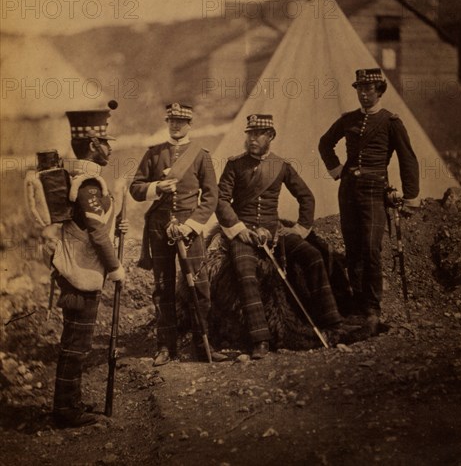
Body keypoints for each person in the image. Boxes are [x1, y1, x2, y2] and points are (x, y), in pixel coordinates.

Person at [216, 114, 358, 359]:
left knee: (313, 256)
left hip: (274, 232)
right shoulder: (234, 164)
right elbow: (221, 200)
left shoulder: (281, 165)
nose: (252, 139)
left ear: (270, 136)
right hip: (244, 233)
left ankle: (332, 322)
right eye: (249, 134)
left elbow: (307, 197)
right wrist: (239, 229)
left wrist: (300, 229)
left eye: (258, 134)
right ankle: (260, 339)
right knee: (244, 269)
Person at [318, 68, 420, 337]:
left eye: (369, 89)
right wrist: (336, 169)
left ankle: (373, 310)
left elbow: (407, 158)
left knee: (371, 249)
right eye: (359, 89)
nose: (364, 93)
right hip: (348, 190)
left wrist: (410, 196)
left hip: (375, 191)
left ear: (380, 91)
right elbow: (325, 143)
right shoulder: (348, 119)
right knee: (353, 250)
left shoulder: (391, 122)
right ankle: (358, 308)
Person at [130, 102, 227, 365]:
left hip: (189, 228)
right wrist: (157, 187)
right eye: (171, 121)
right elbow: (135, 188)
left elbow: (211, 196)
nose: (175, 126)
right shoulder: (153, 154)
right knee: (162, 288)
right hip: (159, 228)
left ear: (189, 125)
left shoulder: (200, 155)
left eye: (180, 122)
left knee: (199, 285)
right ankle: (165, 347)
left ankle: (202, 344)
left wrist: (192, 225)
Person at [51, 108, 127, 428]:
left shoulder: (81, 179)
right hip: (79, 276)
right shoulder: (89, 184)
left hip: (77, 273)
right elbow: (96, 232)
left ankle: (72, 402)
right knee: (76, 345)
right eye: (106, 142)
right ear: (94, 144)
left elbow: (98, 224)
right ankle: (66, 411)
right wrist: (116, 267)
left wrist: (119, 207)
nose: (110, 148)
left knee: (76, 343)